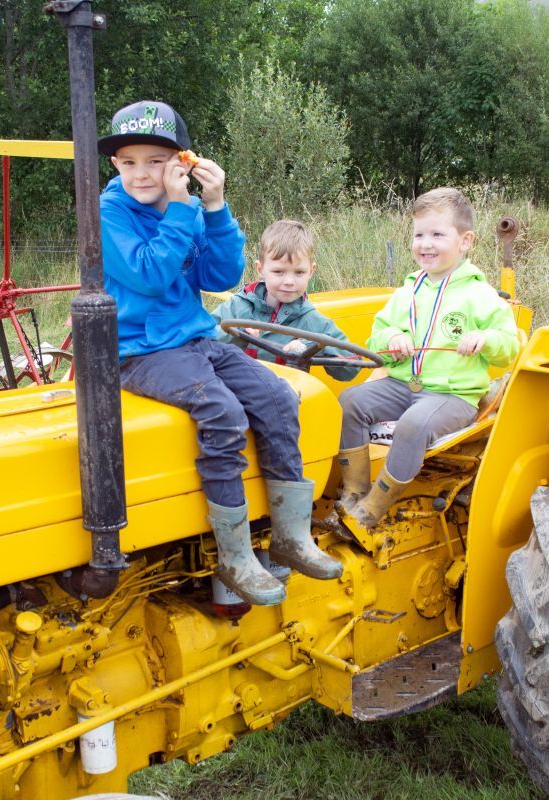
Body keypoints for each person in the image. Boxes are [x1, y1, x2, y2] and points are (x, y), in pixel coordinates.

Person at [98, 100, 342, 606]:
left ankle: (291, 536)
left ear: (181, 162)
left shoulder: (183, 205)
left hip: (194, 338)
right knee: (223, 412)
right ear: (114, 165)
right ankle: (233, 553)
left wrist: (214, 205)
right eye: (129, 162)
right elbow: (148, 272)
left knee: (277, 397)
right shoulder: (109, 213)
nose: (142, 173)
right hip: (138, 349)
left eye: (156, 161)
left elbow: (220, 276)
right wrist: (184, 208)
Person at [336, 187, 519, 529]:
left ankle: (375, 505)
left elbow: (511, 345)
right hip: (403, 383)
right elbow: (378, 332)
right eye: (419, 234)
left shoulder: (481, 295)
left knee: (414, 424)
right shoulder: (409, 289)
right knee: (350, 401)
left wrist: (485, 339)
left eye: (437, 234)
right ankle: (353, 490)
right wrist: (393, 337)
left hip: (452, 396)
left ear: (465, 241)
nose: (426, 244)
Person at [212, 219, 359, 381]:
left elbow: (351, 369)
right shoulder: (236, 308)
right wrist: (234, 334)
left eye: (299, 272)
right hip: (230, 390)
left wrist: (313, 345)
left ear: (311, 271)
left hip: (287, 399)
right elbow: (198, 342)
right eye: (279, 271)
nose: (289, 281)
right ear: (260, 269)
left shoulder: (314, 322)